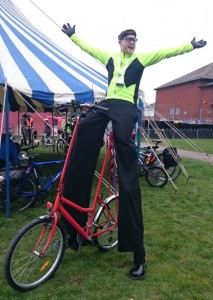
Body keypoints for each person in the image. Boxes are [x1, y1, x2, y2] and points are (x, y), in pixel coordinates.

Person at [61, 23, 207, 279]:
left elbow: (165, 53)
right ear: (120, 41)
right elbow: (88, 48)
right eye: (128, 39)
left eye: (134, 40)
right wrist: (73, 36)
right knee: (83, 131)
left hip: (126, 107)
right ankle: (74, 231)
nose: (132, 42)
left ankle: (138, 254)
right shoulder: (109, 57)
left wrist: (189, 46)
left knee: (128, 179)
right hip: (106, 104)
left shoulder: (140, 58)